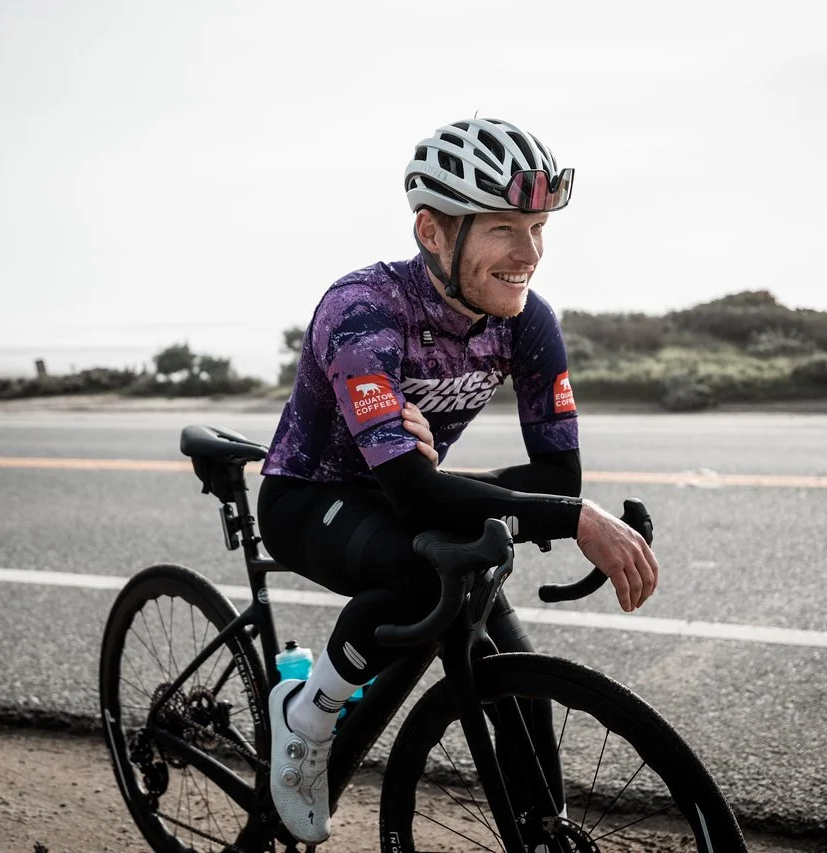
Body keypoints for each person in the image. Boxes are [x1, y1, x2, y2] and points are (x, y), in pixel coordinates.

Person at [256, 117, 660, 844]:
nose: (529, 254)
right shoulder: (364, 311)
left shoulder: (526, 321)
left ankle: (541, 836)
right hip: (309, 497)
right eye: (504, 228)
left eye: (538, 228)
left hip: (407, 493)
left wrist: (454, 485)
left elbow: (554, 472)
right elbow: (422, 497)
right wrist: (570, 516)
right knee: (421, 577)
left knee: (521, 678)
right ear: (433, 232)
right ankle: (305, 717)